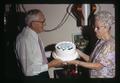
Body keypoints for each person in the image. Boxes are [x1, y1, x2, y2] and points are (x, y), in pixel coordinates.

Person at [15, 9, 64, 79]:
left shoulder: (33, 35)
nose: (45, 24)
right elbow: (27, 70)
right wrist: (50, 65)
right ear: (33, 23)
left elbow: (37, 55)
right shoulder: (24, 39)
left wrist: (56, 53)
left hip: (41, 73)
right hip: (35, 77)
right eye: (42, 22)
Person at [67, 11, 115, 78]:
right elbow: (91, 60)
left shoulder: (111, 45)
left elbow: (98, 66)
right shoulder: (100, 41)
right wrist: (77, 51)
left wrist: (76, 62)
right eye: (94, 27)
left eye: (98, 28)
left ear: (106, 28)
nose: (95, 30)